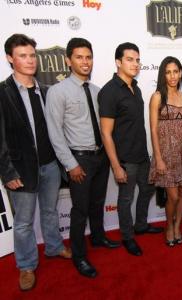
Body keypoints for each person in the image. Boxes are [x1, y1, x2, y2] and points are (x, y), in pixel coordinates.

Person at [0, 34, 71, 291]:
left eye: (32, 55)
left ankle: (53, 247)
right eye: (22, 55)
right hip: (21, 170)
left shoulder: (46, 90)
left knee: (51, 211)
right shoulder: (3, 93)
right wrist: (7, 172)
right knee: (23, 222)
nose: (29, 60)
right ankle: (27, 265)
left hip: (50, 164)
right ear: (10, 58)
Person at [45, 38, 120, 279]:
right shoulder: (58, 92)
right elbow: (55, 133)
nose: (85, 62)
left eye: (88, 57)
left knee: (98, 202)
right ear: (68, 60)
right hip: (79, 160)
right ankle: (79, 255)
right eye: (79, 57)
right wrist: (71, 164)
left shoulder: (97, 91)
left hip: (100, 157)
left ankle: (98, 237)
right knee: (80, 210)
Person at [98, 42, 163, 257]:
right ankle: (128, 237)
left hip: (142, 155)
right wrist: (116, 166)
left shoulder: (135, 88)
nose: (135, 64)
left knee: (147, 190)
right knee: (125, 200)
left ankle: (141, 224)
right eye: (129, 59)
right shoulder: (109, 91)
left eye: (137, 60)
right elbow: (106, 133)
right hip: (125, 159)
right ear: (118, 62)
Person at [148, 56, 182, 246]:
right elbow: (153, 129)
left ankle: (177, 227)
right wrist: (158, 158)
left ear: (181, 73)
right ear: (163, 74)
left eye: (175, 71)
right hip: (166, 154)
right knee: (173, 196)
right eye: (168, 72)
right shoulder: (157, 97)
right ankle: (169, 226)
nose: (172, 76)